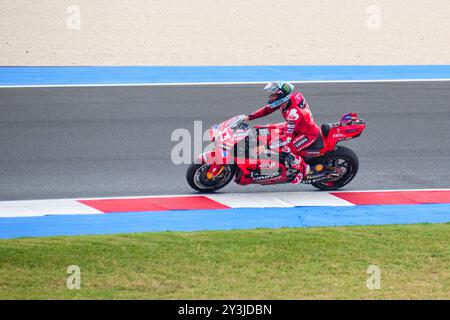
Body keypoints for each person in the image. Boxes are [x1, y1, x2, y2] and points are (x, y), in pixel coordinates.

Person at [242, 82, 320, 184]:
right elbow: (267, 109)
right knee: (262, 129)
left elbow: (287, 138)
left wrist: (265, 147)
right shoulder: (288, 99)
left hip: (307, 134)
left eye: (274, 95)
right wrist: (249, 117)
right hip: (295, 126)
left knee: (285, 148)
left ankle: (303, 169)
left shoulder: (293, 113)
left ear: (282, 96)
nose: (271, 97)